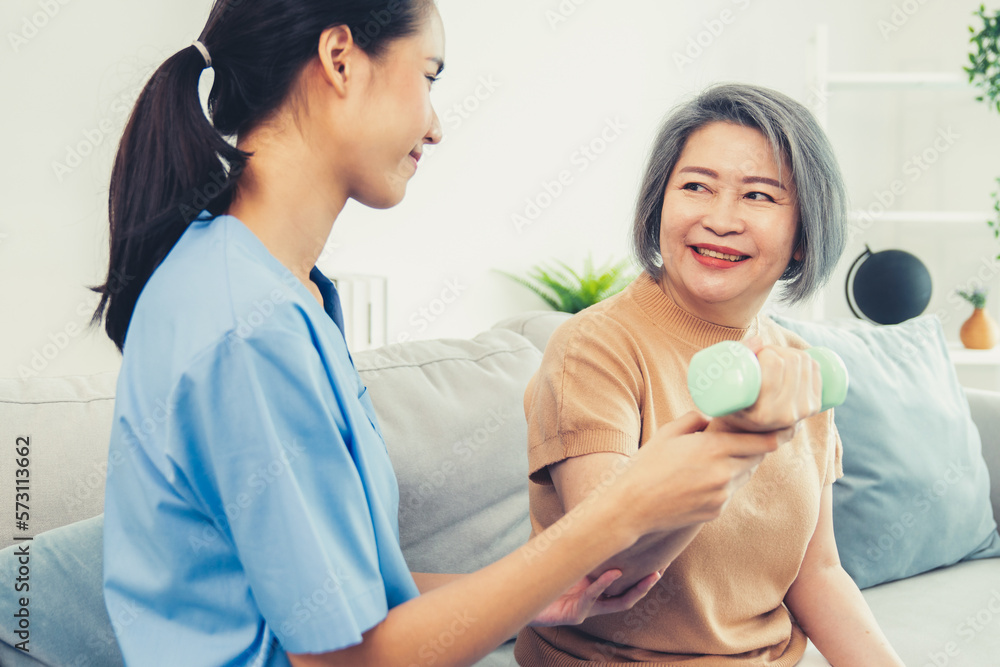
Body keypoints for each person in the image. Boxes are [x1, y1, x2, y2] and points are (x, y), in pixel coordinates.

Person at [91, 3, 796, 666]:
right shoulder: (244, 326)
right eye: (428, 78)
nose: (435, 126)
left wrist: (533, 590)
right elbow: (343, 657)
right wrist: (621, 508)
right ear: (340, 57)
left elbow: (338, 598)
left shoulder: (277, 291)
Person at [513, 84, 906, 666]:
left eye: (759, 196)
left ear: (801, 238)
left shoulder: (796, 365)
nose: (720, 220)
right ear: (659, 207)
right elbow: (602, 565)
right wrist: (740, 441)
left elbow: (818, 573)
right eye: (696, 186)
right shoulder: (593, 348)